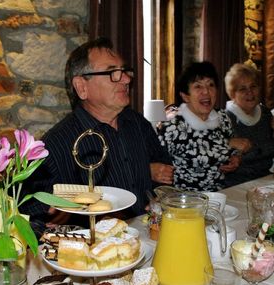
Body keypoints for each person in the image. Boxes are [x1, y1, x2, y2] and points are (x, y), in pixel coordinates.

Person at [21, 37, 173, 230]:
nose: (126, 79)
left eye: (125, 71)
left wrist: (154, 188)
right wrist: (63, 212)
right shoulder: (57, 143)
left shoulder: (137, 123)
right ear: (82, 87)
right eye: (112, 73)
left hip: (146, 234)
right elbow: (30, 210)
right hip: (97, 249)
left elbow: (164, 170)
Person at [157, 61, 249, 191]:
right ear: (185, 96)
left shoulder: (222, 118)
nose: (206, 91)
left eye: (211, 85)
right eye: (198, 86)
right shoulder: (173, 126)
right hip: (185, 200)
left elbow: (235, 144)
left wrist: (236, 157)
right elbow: (157, 167)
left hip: (221, 194)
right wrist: (227, 144)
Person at [223, 63, 274, 187]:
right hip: (236, 185)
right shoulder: (225, 118)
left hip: (266, 180)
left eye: (253, 86)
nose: (250, 92)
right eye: (242, 89)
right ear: (232, 94)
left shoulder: (265, 113)